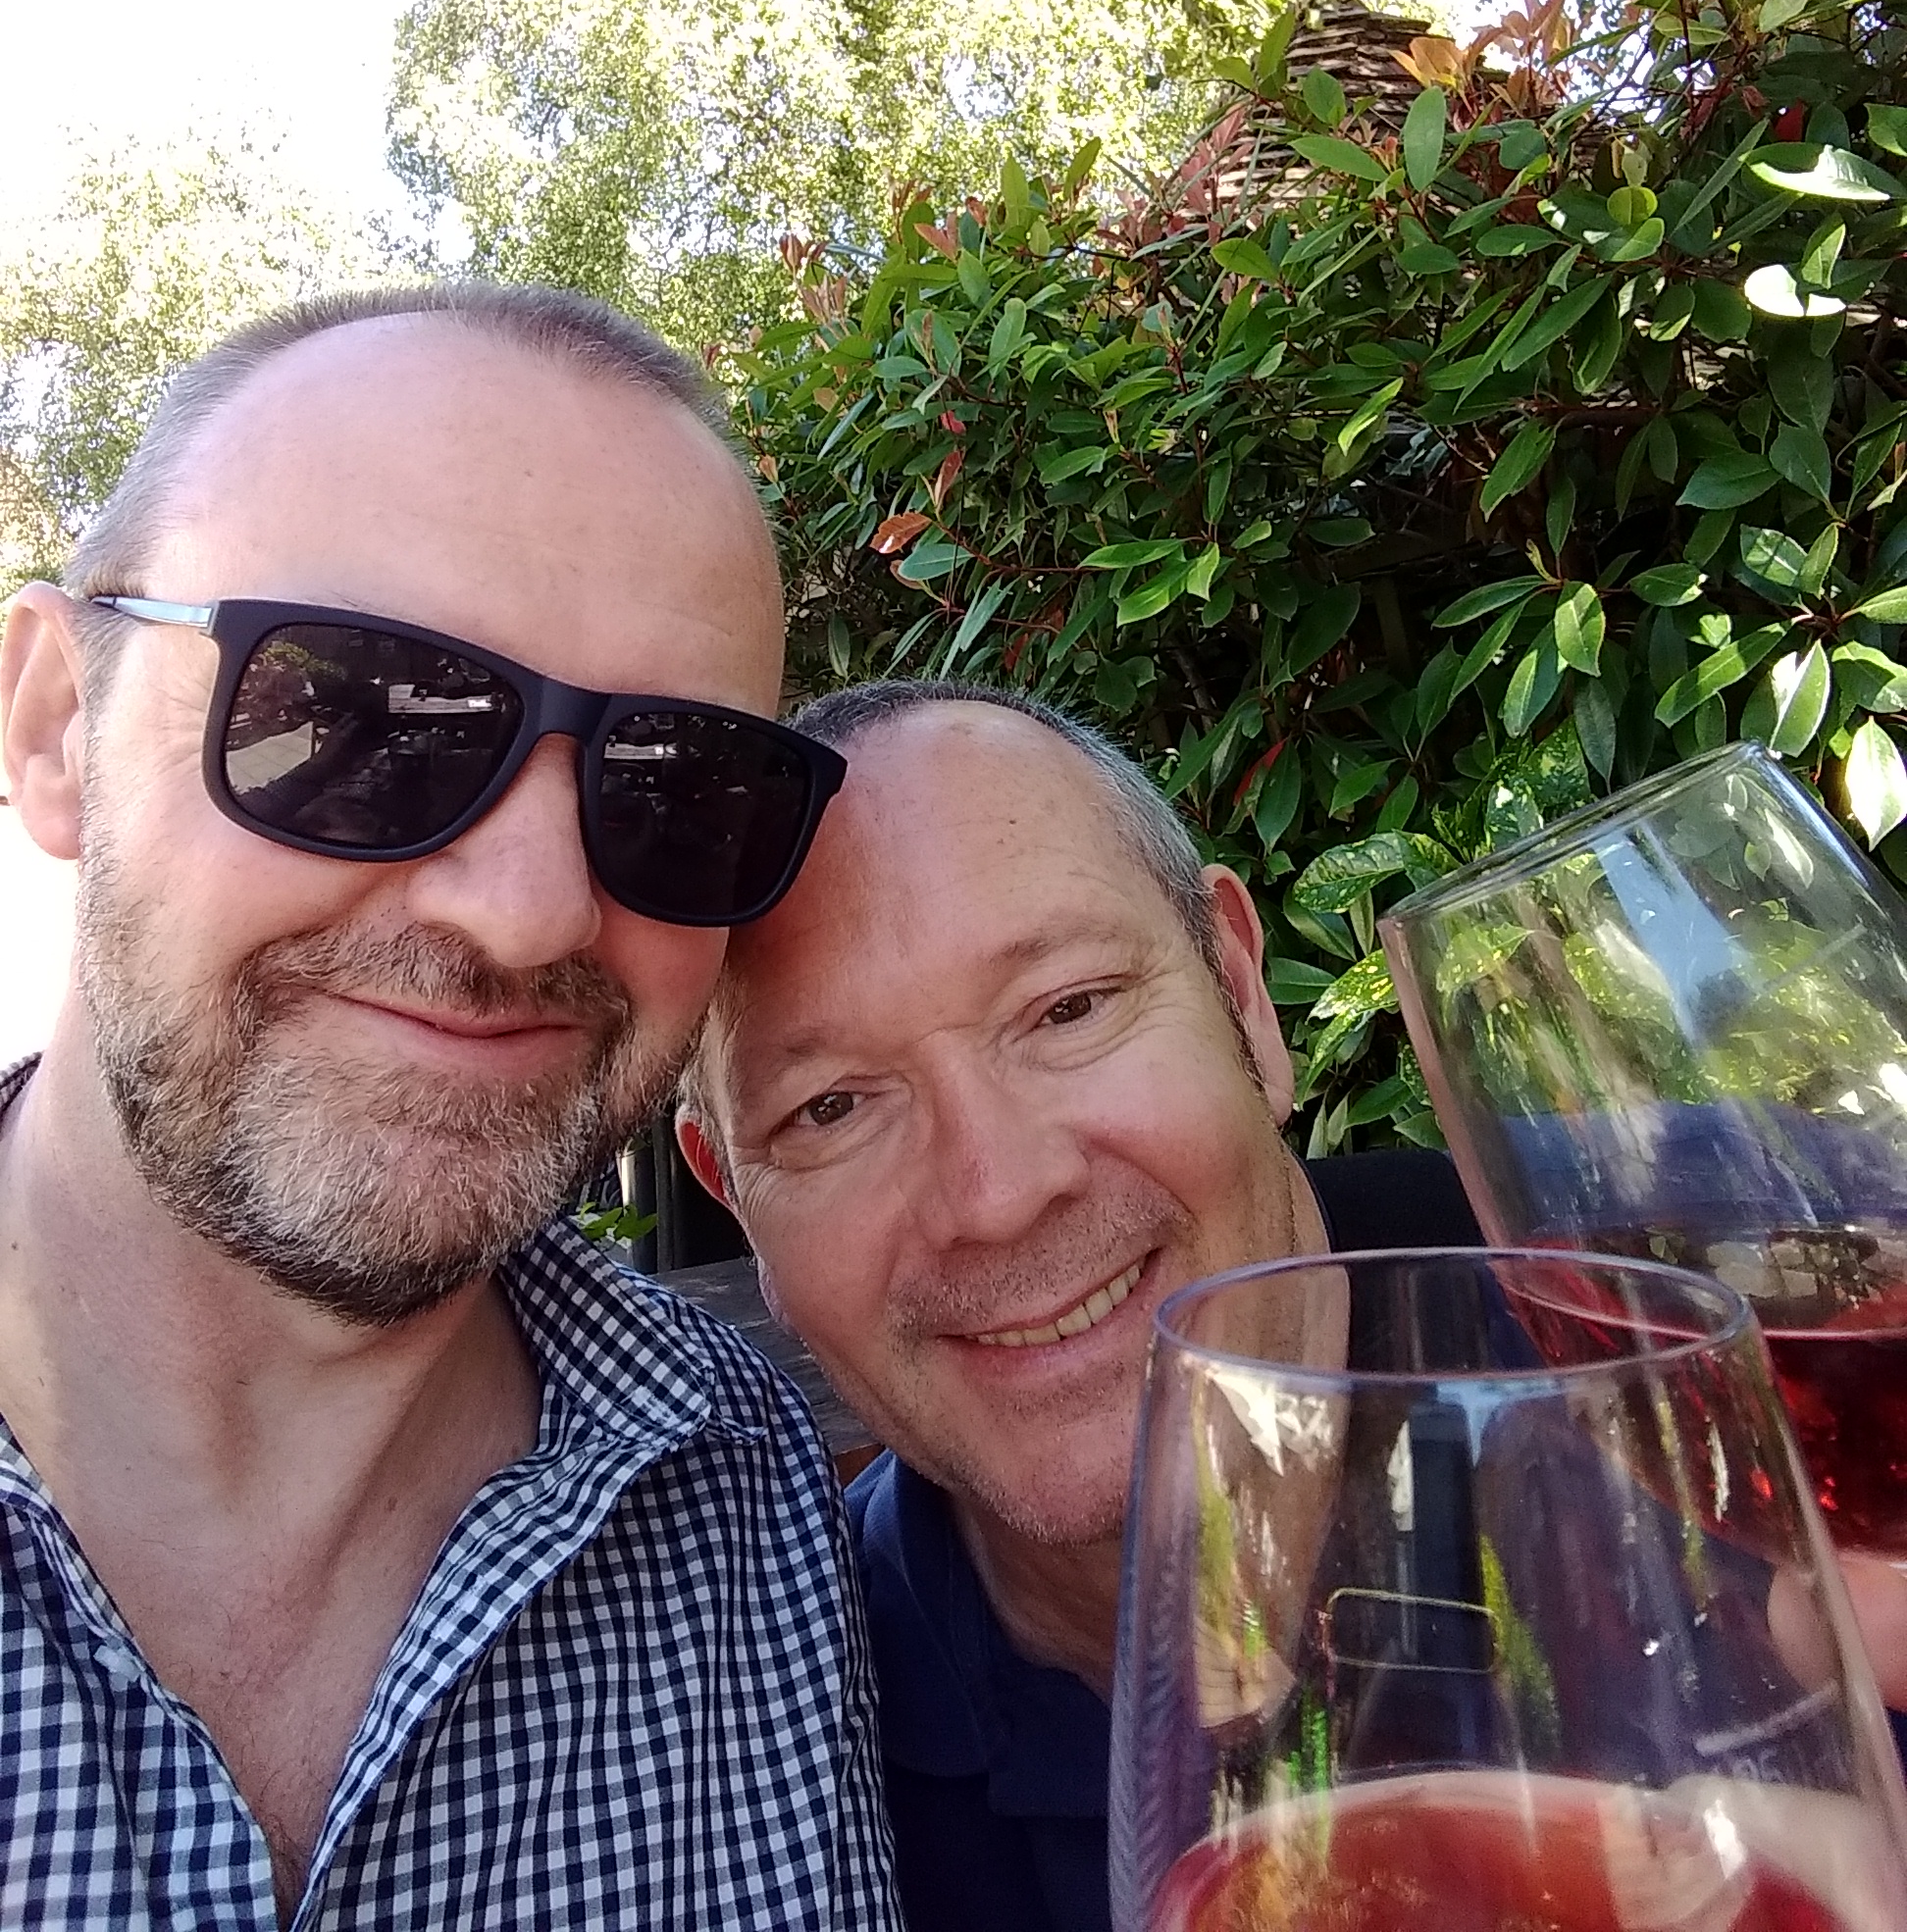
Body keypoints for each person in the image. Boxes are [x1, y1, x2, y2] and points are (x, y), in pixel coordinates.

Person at [679, 679, 1907, 1932]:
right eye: (829, 1107)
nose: (994, 1195)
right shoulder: (750, 1762)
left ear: (1243, 992)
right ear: (733, 1195)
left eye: (1069, 1008)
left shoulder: (1724, 1303)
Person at [0, 284, 897, 1930]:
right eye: (360, 717)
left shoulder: (745, 1499)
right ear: (60, 729)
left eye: (673, 784)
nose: (529, 913)